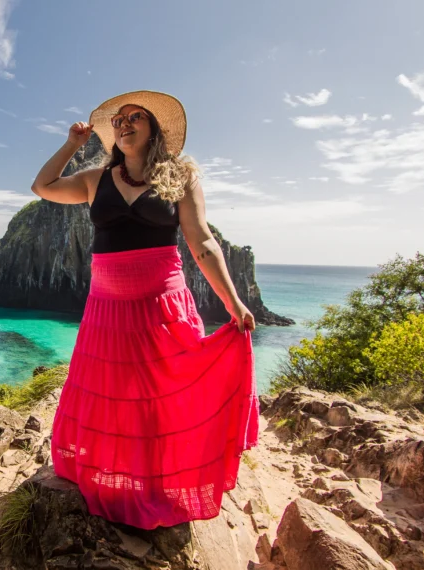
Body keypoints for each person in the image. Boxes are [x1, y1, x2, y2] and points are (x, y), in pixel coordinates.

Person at [30, 90, 259, 530]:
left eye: (136, 117)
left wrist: (233, 300)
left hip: (162, 305)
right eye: (118, 119)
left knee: (160, 396)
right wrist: (73, 145)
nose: (124, 123)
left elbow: (202, 241)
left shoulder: (180, 175)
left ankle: (159, 481)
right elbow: (42, 187)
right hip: (107, 311)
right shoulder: (96, 179)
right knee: (114, 395)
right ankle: (118, 479)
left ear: (155, 128)